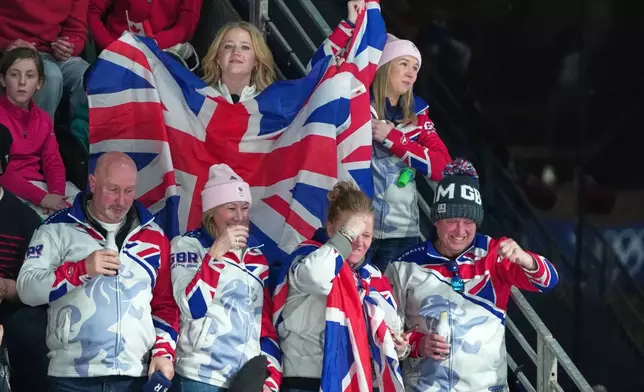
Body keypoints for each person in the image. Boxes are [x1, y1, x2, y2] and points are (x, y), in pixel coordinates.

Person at [385, 158, 559, 391]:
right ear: (437, 220)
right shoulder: (404, 265)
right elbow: (387, 332)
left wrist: (524, 258)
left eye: (468, 221)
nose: (460, 231)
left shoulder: (494, 254)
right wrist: (418, 345)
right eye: (452, 221)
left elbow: (549, 282)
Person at [16, 151, 179, 391]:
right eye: (113, 189)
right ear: (93, 183)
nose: (122, 201)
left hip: (134, 374)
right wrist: (81, 269)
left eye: (129, 191)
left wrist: (164, 352)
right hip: (71, 375)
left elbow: (165, 304)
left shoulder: (154, 235)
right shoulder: (57, 227)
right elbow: (26, 289)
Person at [273, 181, 407, 392]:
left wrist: (399, 347)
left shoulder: (373, 278)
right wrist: (345, 236)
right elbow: (318, 277)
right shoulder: (307, 259)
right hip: (305, 383)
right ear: (330, 227)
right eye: (352, 233)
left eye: (366, 235)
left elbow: (391, 331)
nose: (359, 242)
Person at [170, 164, 281, 392]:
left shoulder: (257, 258)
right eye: (231, 208)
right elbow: (193, 307)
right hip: (199, 377)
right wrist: (216, 253)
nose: (239, 217)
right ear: (212, 211)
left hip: (246, 380)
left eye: (244, 208)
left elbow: (264, 325)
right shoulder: (188, 245)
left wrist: (272, 377)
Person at [369, 33, 452, 272]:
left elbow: (442, 167)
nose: (411, 72)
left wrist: (394, 138)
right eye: (403, 63)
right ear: (384, 67)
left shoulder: (417, 115)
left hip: (401, 233)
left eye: (415, 67)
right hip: (357, 229)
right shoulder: (357, 106)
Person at [201, 0, 364, 104]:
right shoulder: (196, 98)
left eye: (245, 47)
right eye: (228, 46)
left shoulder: (275, 103)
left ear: (257, 61)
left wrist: (349, 24)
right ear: (216, 57)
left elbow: (312, 78)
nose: (236, 52)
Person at [0, 48, 80, 219]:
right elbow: (2, 173)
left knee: (81, 213)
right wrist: (42, 198)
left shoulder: (43, 119)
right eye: (14, 75)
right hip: (9, 189)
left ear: (39, 83)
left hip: (41, 188)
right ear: (2, 80)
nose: (22, 82)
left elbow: (53, 161)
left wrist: (56, 195)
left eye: (30, 76)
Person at [0, 125, 49, 392]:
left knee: (30, 327)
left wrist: (7, 289)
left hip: (11, 311)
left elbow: (37, 289)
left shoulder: (26, 219)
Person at [0, 0, 90, 122]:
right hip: (11, 49)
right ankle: (35, 137)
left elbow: (76, 30)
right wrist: (5, 44)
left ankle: (78, 137)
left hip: (51, 51)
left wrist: (68, 47)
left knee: (88, 74)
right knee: (50, 75)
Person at [88, 0, 202, 69]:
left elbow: (185, 27)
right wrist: (111, 47)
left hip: (161, 56)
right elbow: (93, 12)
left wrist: (153, 43)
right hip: (114, 50)